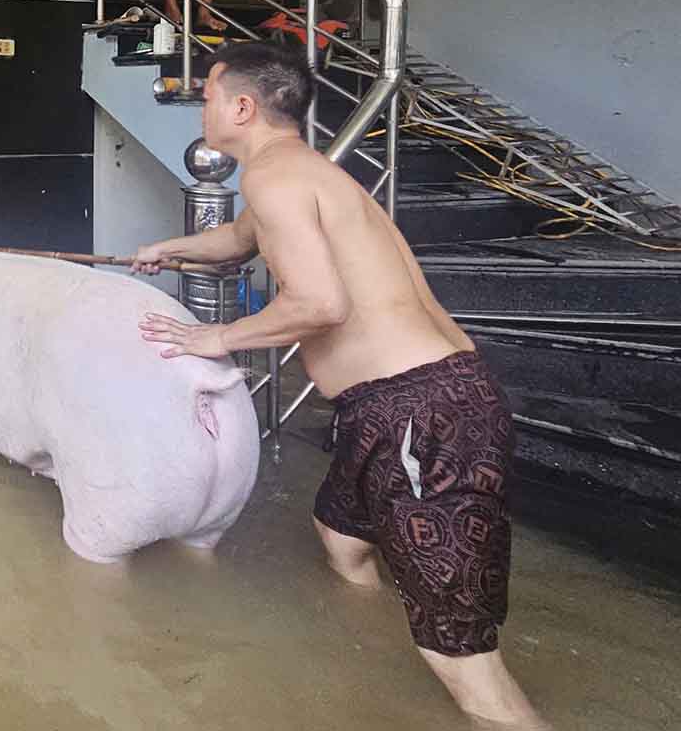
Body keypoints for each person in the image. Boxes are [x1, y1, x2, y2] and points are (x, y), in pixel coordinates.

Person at [130, 42, 543, 729]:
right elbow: (238, 241)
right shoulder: (295, 171)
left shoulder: (276, 180)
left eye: (208, 95)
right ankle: (371, 653)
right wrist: (165, 250)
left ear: (242, 106)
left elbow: (320, 303)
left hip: (422, 412)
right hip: (399, 403)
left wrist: (218, 337)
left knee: (462, 657)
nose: (201, 106)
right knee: (341, 532)